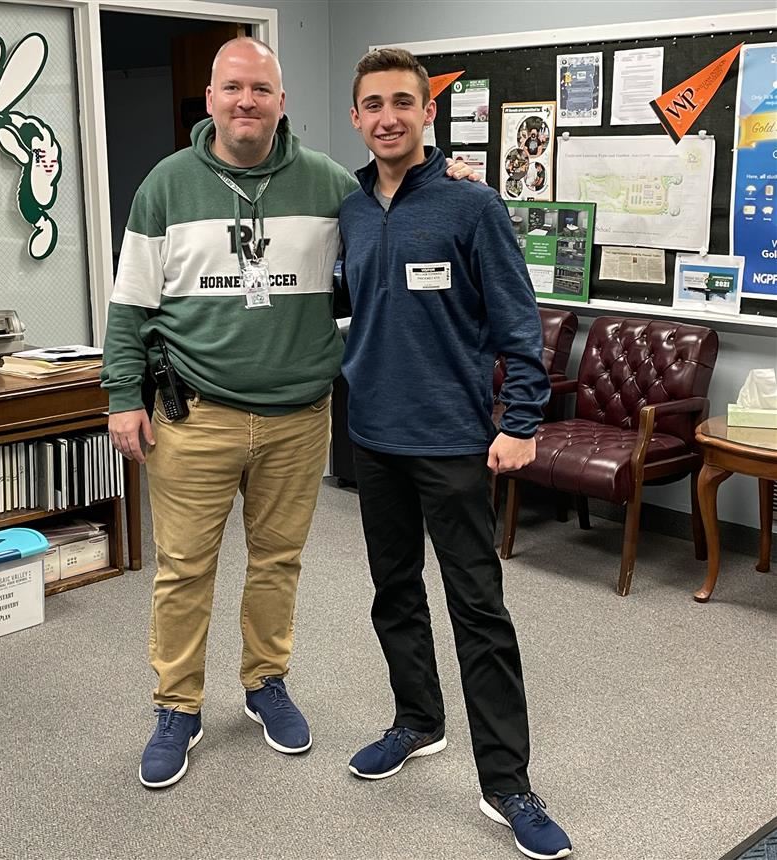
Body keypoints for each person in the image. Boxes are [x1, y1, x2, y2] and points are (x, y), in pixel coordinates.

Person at [101, 37, 474, 791]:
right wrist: (120, 396)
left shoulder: (330, 184)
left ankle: (265, 683)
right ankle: (178, 707)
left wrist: (454, 173)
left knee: (277, 563)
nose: (247, 101)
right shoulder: (165, 187)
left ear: (282, 101)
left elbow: (400, 199)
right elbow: (130, 303)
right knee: (183, 570)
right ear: (209, 99)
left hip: (298, 418)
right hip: (194, 415)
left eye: (261, 89)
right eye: (233, 88)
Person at [338, 48, 572, 860]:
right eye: (373, 104)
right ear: (358, 116)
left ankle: (507, 782)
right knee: (393, 590)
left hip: (452, 441)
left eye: (403, 101)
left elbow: (518, 321)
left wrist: (522, 420)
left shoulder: (473, 206)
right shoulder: (352, 208)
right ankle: (417, 720)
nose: (388, 117)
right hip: (371, 435)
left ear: (427, 111)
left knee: (478, 608)